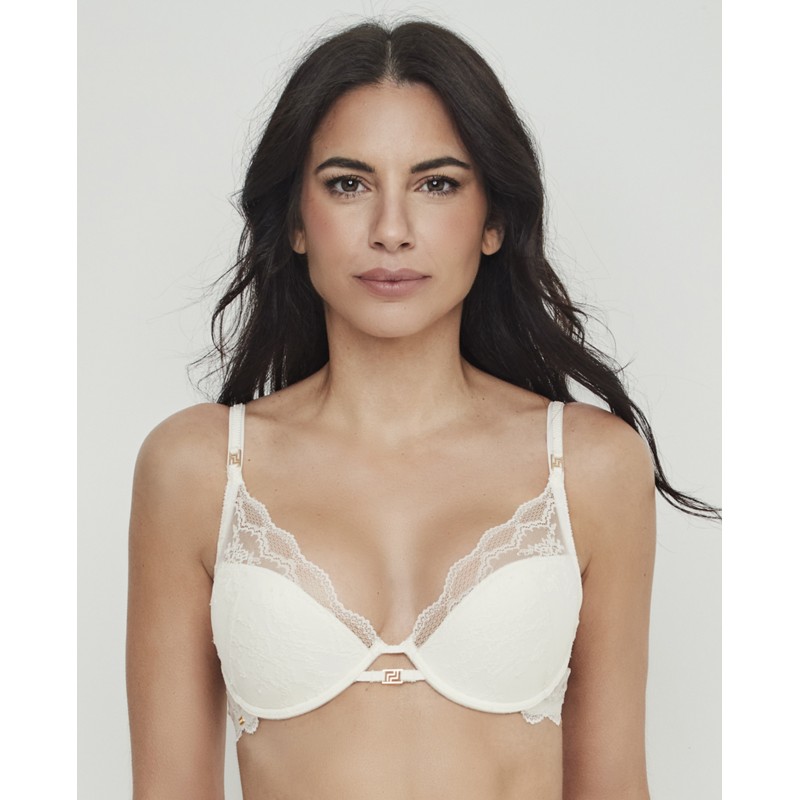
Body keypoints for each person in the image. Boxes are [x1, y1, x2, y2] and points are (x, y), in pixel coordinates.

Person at [126, 19, 718, 800]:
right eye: (348, 184)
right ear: (296, 221)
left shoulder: (590, 467)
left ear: (494, 221)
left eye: (436, 184)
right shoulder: (196, 469)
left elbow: (612, 788)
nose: (391, 231)